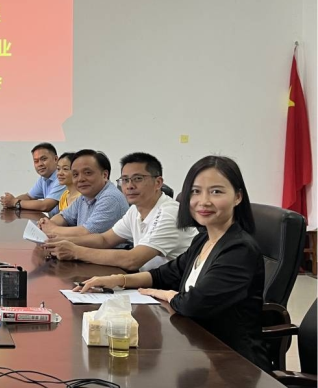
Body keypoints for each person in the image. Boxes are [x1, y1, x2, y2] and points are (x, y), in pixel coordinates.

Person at [76, 155, 269, 371]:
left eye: (216, 192)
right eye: (196, 191)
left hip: (233, 364)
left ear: (238, 197)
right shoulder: (203, 240)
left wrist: (168, 294)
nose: (204, 201)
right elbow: (163, 275)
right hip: (197, 350)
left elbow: (194, 304)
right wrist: (117, 280)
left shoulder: (238, 250)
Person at [44, 152, 197, 271]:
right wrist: (58, 243)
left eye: (138, 179)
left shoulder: (169, 213)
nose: (129, 186)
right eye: (125, 180)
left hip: (173, 291)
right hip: (148, 282)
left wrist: (75, 251)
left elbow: (132, 260)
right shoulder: (135, 210)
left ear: (158, 183)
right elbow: (105, 239)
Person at [38, 149, 129, 237]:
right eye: (75, 174)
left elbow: (87, 233)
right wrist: (48, 223)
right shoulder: (84, 196)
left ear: (105, 175)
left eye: (88, 173)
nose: (80, 179)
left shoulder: (111, 198)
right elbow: (64, 216)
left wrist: (52, 229)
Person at [0, 143, 66, 212]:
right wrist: (9, 202)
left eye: (44, 159)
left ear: (56, 159)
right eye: (36, 161)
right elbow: (29, 197)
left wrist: (14, 202)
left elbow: (45, 206)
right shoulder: (43, 178)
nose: (40, 164)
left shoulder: (62, 178)